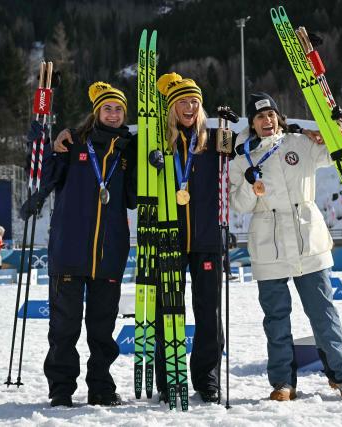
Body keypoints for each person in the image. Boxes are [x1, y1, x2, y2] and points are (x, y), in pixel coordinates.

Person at [229, 92, 342, 401]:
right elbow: (238, 204)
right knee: (276, 320)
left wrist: (340, 122)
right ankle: (283, 384)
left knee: (323, 313)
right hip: (268, 246)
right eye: (260, 117)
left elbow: (337, 151)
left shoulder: (299, 143)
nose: (267, 120)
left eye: (271, 115)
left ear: (278, 117)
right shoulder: (241, 157)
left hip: (308, 242)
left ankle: (340, 377)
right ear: (252, 122)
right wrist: (250, 185)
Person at [21, 81, 136, 408]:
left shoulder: (128, 150)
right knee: (63, 330)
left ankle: (101, 388)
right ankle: (61, 391)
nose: (113, 114)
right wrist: (41, 142)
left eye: (118, 109)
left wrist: (148, 160)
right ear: (96, 111)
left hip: (109, 253)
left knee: (103, 332)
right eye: (107, 108)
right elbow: (44, 175)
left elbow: (133, 197)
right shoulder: (72, 144)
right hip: (69, 251)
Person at [151, 72, 226, 404]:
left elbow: (254, 147)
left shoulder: (214, 140)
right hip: (168, 238)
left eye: (195, 101)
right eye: (183, 101)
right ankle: (170, 378)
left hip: (207, 239)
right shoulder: (157, 143)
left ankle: (207, 378)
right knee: (168, 310)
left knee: (208, 313)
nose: (190, 106)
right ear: (171, 108)